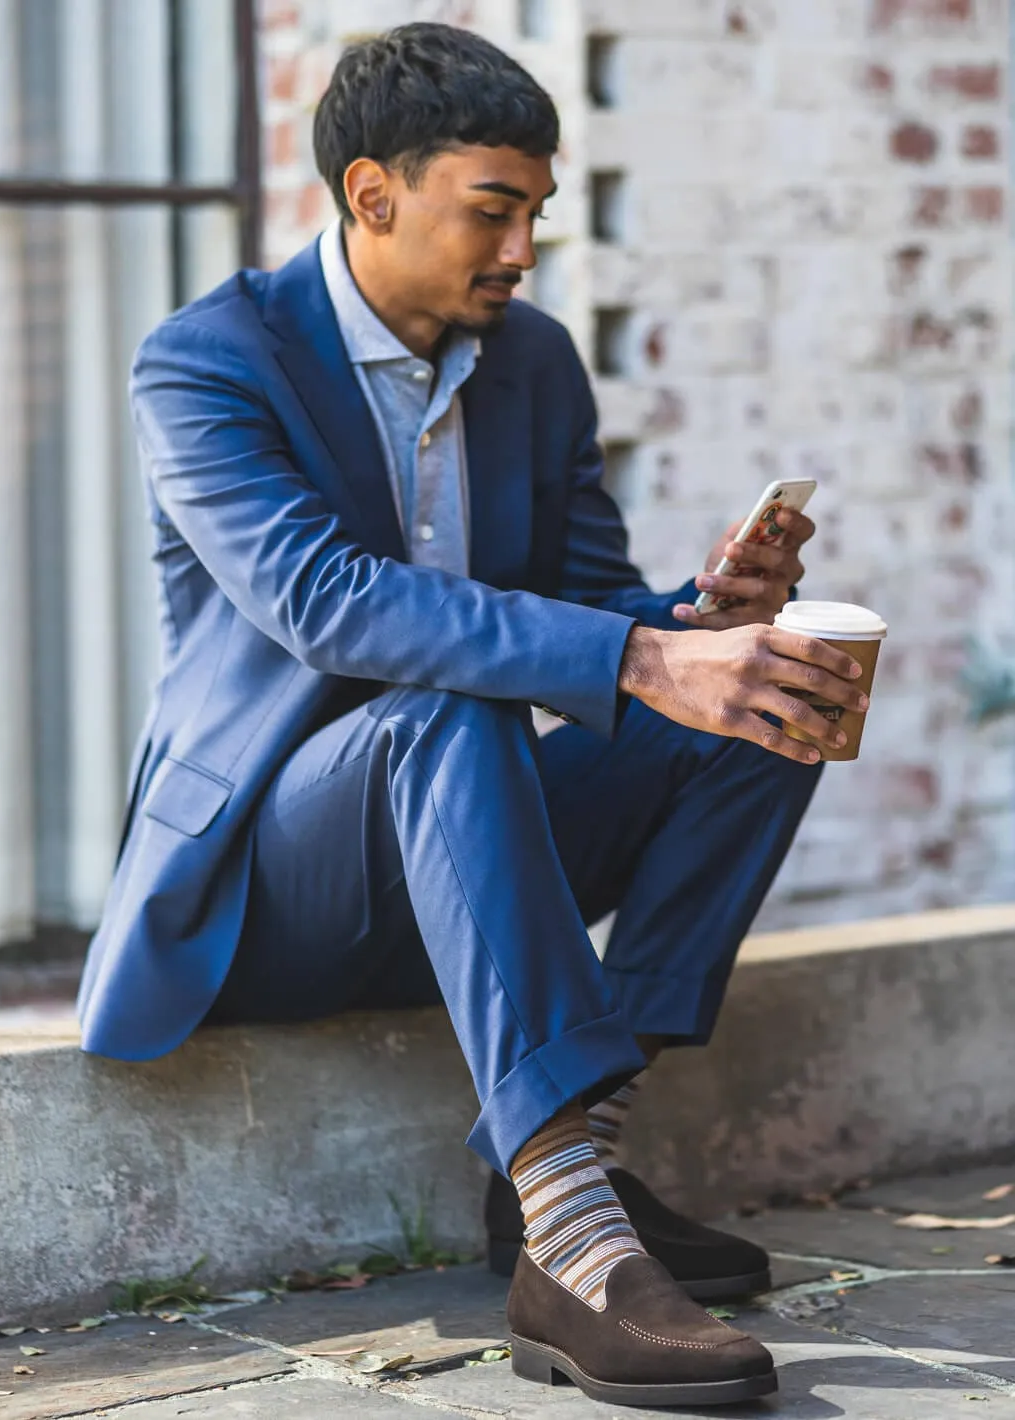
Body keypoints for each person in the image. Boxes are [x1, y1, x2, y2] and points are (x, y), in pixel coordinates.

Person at [76, 22, 870, 1408]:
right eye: (491, 210)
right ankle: (575, 1248)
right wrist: (636, 657)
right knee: (449, 704)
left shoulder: (534, 363)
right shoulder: (207, 363)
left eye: (537, 215)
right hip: (275, 883)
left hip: (472, 861)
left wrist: (704, 623)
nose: (522, 249)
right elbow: (327, 602)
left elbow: (588, 604)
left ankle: (571, 1182)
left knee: (762, 697)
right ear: (372, 193)